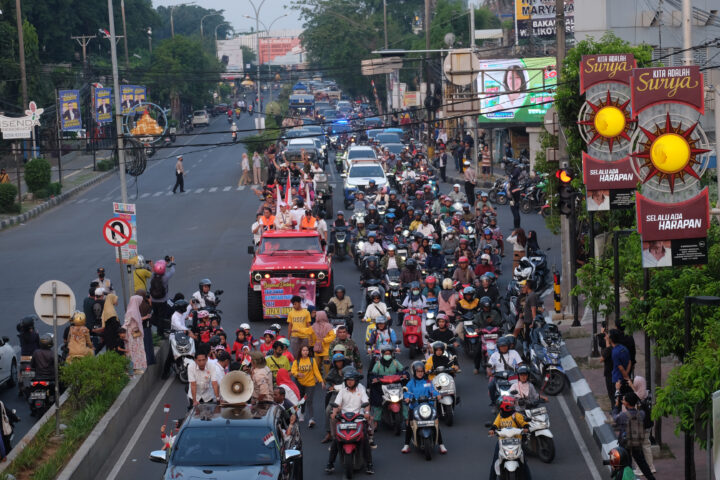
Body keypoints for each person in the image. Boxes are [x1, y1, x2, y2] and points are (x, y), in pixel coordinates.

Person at [326, 366, 374, 475]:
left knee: (364, 439)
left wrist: (366, 413)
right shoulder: (342, 391)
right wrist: (334, 412)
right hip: (344, 419)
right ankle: (330, 463)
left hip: (358, 419)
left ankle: (370, 464)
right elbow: (337, 404)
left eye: (352, 380)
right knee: (337, 439)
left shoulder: (361, 389)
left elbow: (366, 403)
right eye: (348, 380)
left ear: (356, 381)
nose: (350, 382)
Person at [401, 361, 447, 454]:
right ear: (414, 372)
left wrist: (437, 395)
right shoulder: (410, 383)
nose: (420, 373)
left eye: (421, 371)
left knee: (435, 423)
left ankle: (441, 445)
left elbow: (433, 390)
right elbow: (407, 392)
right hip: (415, 407)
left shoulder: (428, 382)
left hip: (427, 406)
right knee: (410, 425)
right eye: (418, 371)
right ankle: (406, 445)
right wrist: (407, 398)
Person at [612, 391, 656, 479]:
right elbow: (644, 409)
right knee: (642, 464)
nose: (622, 401)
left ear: (627, 403)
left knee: (624, 463)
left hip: (625, 444)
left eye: (623, 400)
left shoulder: (623, 416)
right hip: (637, 442)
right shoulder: (641, 414)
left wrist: (616, 405)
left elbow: (614, 417)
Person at [488, 396, 531, 480]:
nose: (513, 406)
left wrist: (526, 428)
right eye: (511, 405)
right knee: (494, 463)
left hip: (516, 442)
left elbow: (524, 422)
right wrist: (492, 430)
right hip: (502, 442)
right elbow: (495, 425)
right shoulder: (500, 416)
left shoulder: (516, 415)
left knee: (524, 463)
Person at [369, 344, 407, 426]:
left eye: (389, 354)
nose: (387, 355)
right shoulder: (378, 364)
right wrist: (375, 378)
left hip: (395, 386)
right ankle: (375, 421)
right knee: (378, 402)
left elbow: (403, 370)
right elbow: (373, 373)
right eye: (385, 354)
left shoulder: (395, 362)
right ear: (382, 354)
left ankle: (407, 419)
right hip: (382, 387)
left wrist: (404, 374)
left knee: (404, 400)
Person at [292, 345, 324, 426]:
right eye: (303, 350)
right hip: (300, 384)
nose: (305, 352)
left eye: (306, 350)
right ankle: (302, 413)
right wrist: (297, 373)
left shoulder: (312, 360)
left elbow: (316, 372)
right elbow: (293, 371)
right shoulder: (297, 361)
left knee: (309, 401)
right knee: (302, 400)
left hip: (310, 383)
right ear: (300, 352)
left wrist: (321, 381)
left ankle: (311, 419)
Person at [487, 336, 522, 405]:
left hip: (513, 375)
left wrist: (521, 370)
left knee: (523, 385)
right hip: (498, 376)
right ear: (498, 347)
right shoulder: (494, 355)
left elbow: (520, 364)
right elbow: (489, 366)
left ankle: (522, 401)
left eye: (505, 346)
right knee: (491, 386)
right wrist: (489, 371)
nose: (503, 348)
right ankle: (493, 402)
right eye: (501, 346)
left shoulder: (514, 352)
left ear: (508, 346)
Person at [150, 258, 176, 336]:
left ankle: (157, 327)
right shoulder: (165, 277)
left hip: (153, 300)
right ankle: (160, 333)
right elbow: (172, 271)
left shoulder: (153, 276)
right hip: (162, 301)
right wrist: (172, 263)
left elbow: (153, 270)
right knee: (161, 317)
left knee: (156, 315)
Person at [124, 295, 148, 374]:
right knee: (135, 351)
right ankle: (135, 368)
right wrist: (136, 328)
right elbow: (131, 323)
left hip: (132, 334)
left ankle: (134, 368)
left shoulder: (131, 310)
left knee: (133, 351)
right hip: (134, 335)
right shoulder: (133, 311)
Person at [287, 295, 314, 359]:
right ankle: (297, 367)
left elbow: (308, 325)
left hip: (305, 336)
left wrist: (311, 337)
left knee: (305, 354)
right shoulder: (291, 313)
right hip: (294, 336)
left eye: (295, 304)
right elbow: (290, 325)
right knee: (295, 355)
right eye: (293, 304)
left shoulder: (306, 312)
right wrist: (288, 338)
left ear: (299, 303)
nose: (294, 306)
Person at [312, 311, 336, 376]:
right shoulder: (314, 326)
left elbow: (333, 336)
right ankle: (317, 378)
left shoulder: (328, 326)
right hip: (317, 350)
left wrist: (324, 340)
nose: (316, 317)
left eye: (317, 316)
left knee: (327, 367)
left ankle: (327, 380)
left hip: (326, 351)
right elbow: (311, 335)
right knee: (316, 366)